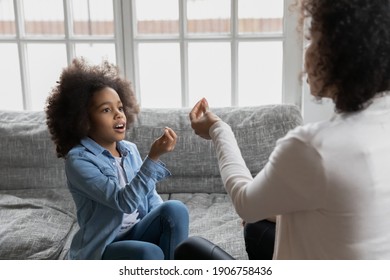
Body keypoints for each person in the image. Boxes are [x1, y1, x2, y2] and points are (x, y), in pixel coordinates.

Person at [189, 0, 390, 259]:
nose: (306, 50)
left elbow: (245, 203)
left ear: (343, 55)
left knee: (190, 249)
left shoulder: (313, 147)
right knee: (256, 228)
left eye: (313, 39)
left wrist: (218, 129)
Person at [45, 57, 189, 260]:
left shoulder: (129, 150)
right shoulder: (78, 161)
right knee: (150, 252)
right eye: (106, 110)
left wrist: (161, 221)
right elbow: (124, 202)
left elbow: (149, 198)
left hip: (136, 232)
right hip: (104, 247)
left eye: (120, 108)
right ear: (83, 119)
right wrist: (154, 157)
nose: (118, 115)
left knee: (175, 209)